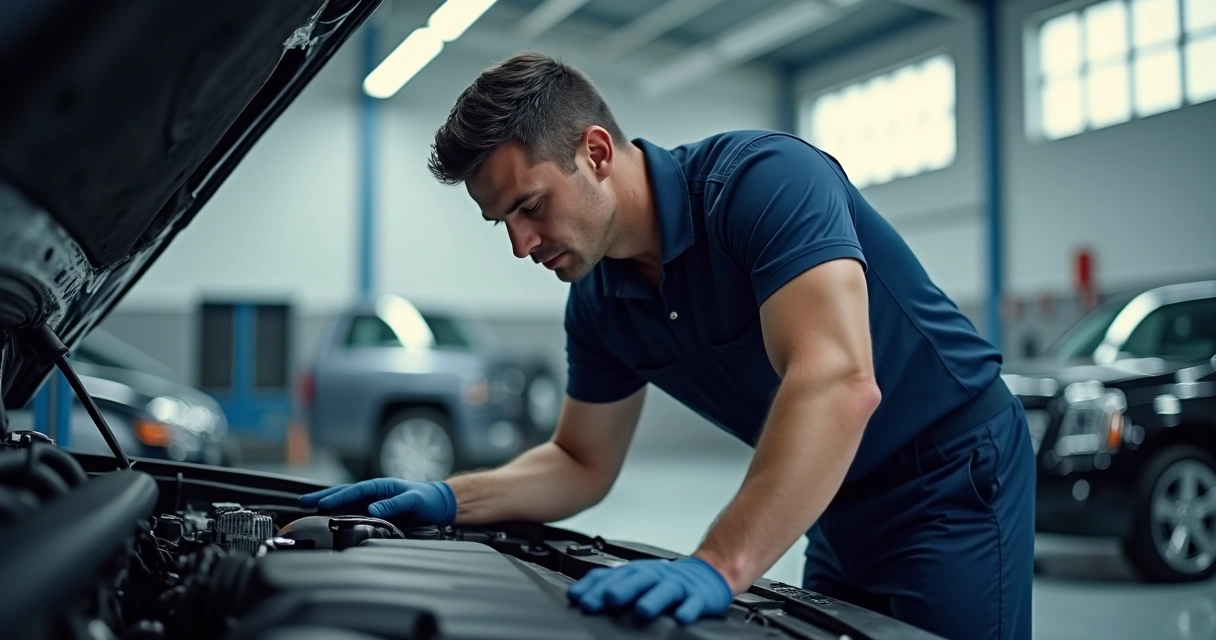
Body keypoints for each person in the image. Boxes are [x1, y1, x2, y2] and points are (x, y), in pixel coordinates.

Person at [301, 52, 1035, 639]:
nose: (521, 245)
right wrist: (450, 497)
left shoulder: (762, 184)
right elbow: (580, 460)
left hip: (951, 475)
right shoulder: (599, 303)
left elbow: (839, 382)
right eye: (503, 224)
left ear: (595, 152)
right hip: (831, 496)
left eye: (529, 206)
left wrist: (719, 563)